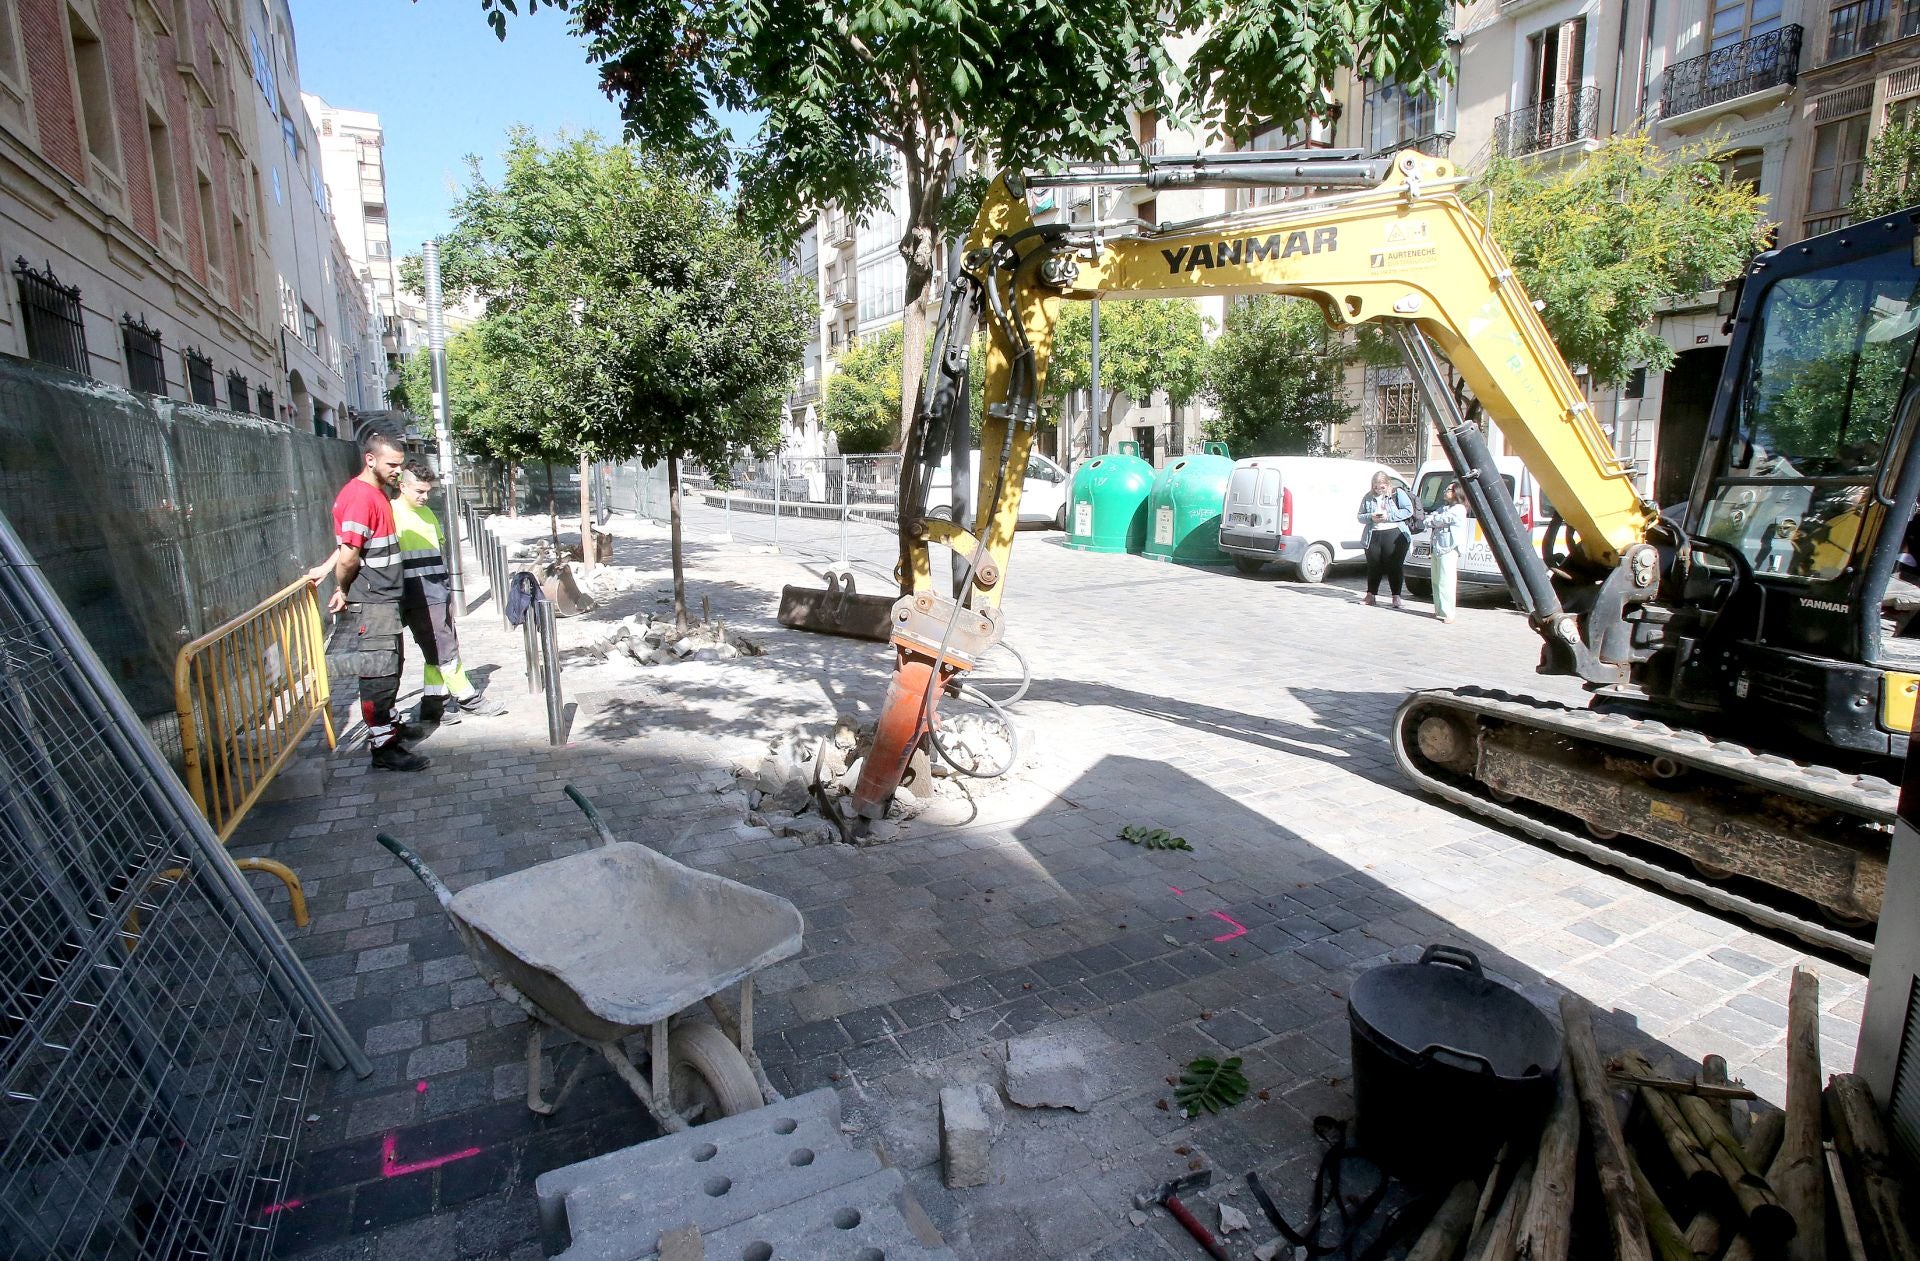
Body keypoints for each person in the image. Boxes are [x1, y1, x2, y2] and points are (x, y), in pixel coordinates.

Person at [307, 430, 429, 772]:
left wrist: (329, 567)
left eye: (400, 465)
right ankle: (383, 747)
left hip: (385, 599)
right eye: (392, 465)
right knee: (378, 671)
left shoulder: (373, 494)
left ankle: (389, 727)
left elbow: (352, 544)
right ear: (370, 459)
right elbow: (350, 555)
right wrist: (342, 587)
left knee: (391, 666)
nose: (397, 472)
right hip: (374, 600)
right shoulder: (360, 497)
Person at [394, 459, 506, 723]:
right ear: (402, 486)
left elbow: (438, 550)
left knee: (437, 651)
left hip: (436, 592)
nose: (425, 496)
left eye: (428, 491)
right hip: (416, 595)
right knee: (445, 650)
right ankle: (468, 699)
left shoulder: (428, 513)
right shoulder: (390, 513)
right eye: (419, 491)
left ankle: (434, 706)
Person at [1357, 470, 1414, 607]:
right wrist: (1371, 516)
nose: (1378, 490)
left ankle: (1396, 597)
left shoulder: (1397, 493)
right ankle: (1371, 595)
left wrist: (1388, 516)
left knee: (1394, 566)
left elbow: (1408, 511)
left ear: (1387, 484)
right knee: (1373, 566)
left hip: (1393, 533)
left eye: (1381, 487)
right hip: (1374, 534)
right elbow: (1360, 516)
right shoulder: (1368, 497)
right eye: (1375, 487)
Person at [1428, 480, 1471, 624]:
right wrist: (1433, 519)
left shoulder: (1458, 508)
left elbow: (1439, 520)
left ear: (1456, 493)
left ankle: (1448, 612)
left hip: (1449, 548)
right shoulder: (1444, 507)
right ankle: (1439, 609)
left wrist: (1434, 519)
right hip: (1437, 546)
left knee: (1446, 581)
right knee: (1436, 579)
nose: (1445, 491)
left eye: (1449, 489)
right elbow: (1429, 518)